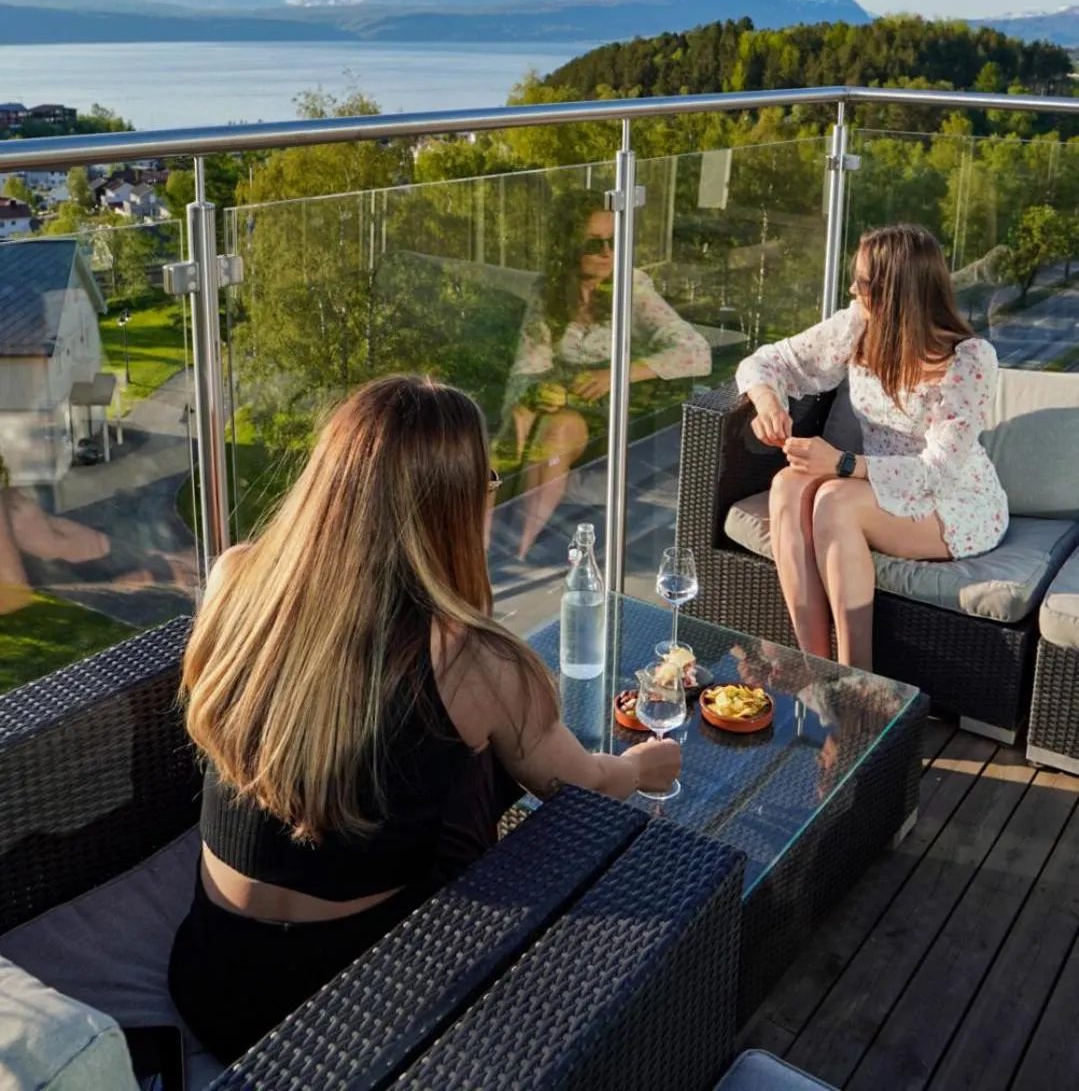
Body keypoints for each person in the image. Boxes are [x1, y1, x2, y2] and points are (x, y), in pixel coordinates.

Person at [168, 374, 679, 1064]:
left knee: (445, 747)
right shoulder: (471, 658)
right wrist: (641, 767)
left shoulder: (236, 577)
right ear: (453, 508)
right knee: (484, 762)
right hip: (343, 1009)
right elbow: (579, 787)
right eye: (489, 481)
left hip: (208, 974)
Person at [735, 223, 1008, 672]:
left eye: (861, 281)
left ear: (896, 291)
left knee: (835, 501)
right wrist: (767, 404)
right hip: (875, 483)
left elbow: (938, 471)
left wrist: (841, 463)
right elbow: (766, 361)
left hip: (954, 502)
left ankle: (856, 680)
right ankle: (815, 668)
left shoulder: (970, 360)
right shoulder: (857, 326)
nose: (851, 289)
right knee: (786, 484)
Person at [501, 188, 711, 561]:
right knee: (512, 427)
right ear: (567, 245)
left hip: (619, 415)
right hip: (564, 401)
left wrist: (619, 373)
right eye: (593, 243)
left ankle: (513, 552)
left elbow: (696, 352)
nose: (606, 253)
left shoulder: (631, 287)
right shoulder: (548, 290)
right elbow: (527, 366)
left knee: (557, 429)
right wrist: (535, 392)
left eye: (614, 241)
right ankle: (480, 551)